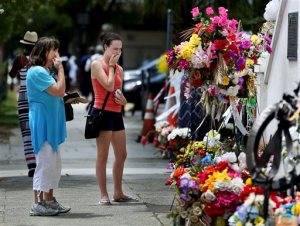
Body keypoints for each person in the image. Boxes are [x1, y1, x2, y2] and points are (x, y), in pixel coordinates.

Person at [26, 36, 71, 216]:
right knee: (44, 164)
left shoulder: (44, 71)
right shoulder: (37, 71)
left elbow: (57, 93)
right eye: (54, 50)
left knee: (53, 165)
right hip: (43, 123)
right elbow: (59, 90)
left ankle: (49, 201)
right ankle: (38, 204)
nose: (57, 55)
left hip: (50, 121)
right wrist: (60, 69)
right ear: (44, 51)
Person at [91, 32, 136, 204]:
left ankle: (118, 192)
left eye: (120, 49)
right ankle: (104, 194)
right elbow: (109, 86)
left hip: (116, 113)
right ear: (105, 48)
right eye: (114, 49)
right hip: (102, 113)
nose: (118, 52)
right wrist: (110, 66)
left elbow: (117, 91)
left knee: (122, 154)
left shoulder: (120, 69)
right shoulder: (97, 65)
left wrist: (124, 101)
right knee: (103, 155)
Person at [8, 31, 38, 177]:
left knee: (26, 133)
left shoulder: (19, 59)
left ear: (24, 45)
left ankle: (31, 166)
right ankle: (39, 163)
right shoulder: (40, 60)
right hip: (38, 99)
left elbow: (12, 75)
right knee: (38, 131)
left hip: (23, 99)